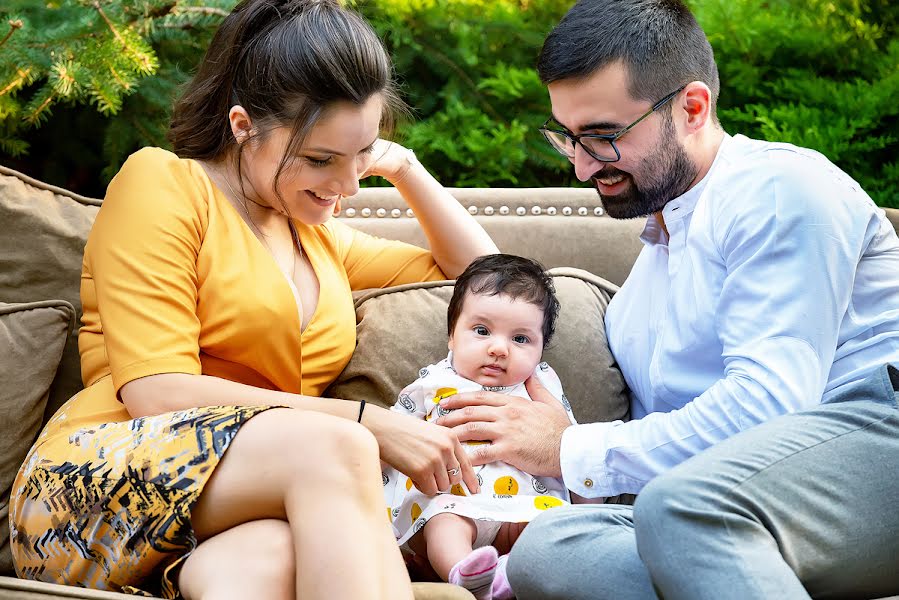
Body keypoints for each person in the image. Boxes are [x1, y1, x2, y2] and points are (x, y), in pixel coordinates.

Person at [9, 1, 496, 598]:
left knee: (265, 565)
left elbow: (484, 280)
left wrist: (406, 167)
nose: (346, 186)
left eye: (360, 155)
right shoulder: (164, 186)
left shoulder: (319, 240)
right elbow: (156, 391)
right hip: (94, 483)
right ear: (244, 126)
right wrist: (368, 422)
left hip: (233, 511)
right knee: (339, 447)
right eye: (321, 159)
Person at [433, 0, 899, 598]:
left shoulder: (779, 189)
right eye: (568, 138)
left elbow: (769, 405)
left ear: (692, 107)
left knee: (681, 506)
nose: (580, 168)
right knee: (553, 552)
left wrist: (566, 446)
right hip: (734, 513)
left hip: (874, 434)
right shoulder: (642, 286)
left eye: (602, 137)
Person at [383, 254, 575, 600]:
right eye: (482, 331)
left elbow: (574, 446)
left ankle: (509, 576)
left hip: (527, 504)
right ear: (452, 338)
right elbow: (392, 432)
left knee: (546, 530)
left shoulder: (541, 386)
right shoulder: (434, 381)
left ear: (541, 349)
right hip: (452, 499)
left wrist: (583, 501)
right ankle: (465, 572)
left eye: (520, 339)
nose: (499, 348)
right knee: (445, 523)